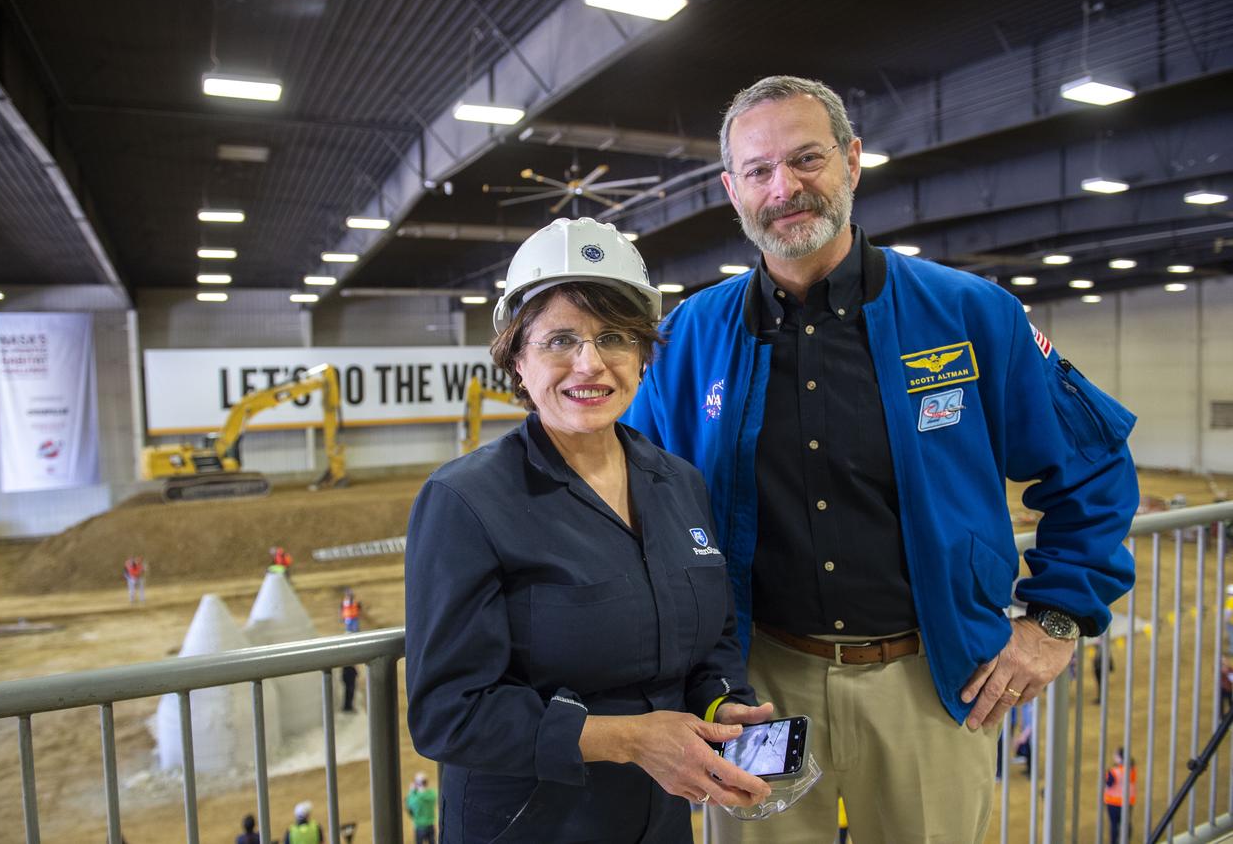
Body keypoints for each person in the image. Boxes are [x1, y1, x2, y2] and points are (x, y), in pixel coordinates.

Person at [623, 75, 1139, 843]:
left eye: (805, 159)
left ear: (852, 161)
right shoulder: (689, 339)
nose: (784, 187)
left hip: (932, 679)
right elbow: (630, 496)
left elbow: (1092, 462)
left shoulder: (968, 313)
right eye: (759, 171)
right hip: (761, 684)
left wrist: (1054, 619)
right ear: (732, 189)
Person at [404, 217, 774, 843]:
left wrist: (720, 702)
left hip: (657, 818)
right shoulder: (465, 500)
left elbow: (712, 640)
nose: (591, 364)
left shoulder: (678, 483)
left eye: (614, 338)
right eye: (560, 340)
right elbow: (449, 712)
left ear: (642, 357)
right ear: (517, 359)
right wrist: (630, 740)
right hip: (535, 824)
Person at [1103, 747, 1137, 842]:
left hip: (1114, 803)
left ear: (1120, 758)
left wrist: (1106, 774)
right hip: (1127, 801)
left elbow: (1109, 783)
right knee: (1126, 823)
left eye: (1116, 755)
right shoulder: (1131, 769)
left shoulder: (1114, 771)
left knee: (1114, 825)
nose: (1114, 756)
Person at [406, 772, 438, 844]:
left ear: (416, 784)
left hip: (419, 826)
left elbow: (409, 805)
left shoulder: (415, 798)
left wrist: (412, 791)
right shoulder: (432, 794)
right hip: (431, 824)